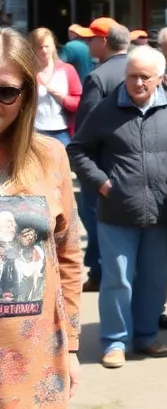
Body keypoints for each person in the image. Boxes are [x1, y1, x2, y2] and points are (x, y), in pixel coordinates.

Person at [67, 46, 167, 369]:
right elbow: (77, 150)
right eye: (132, 76)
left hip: (160, 210)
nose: (138, 82)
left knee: (154, 279)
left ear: (159, 79)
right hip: (116, 211)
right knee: (118, 279)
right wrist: (102, 183)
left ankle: (145, 335)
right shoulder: (105, 110)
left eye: (145, 77)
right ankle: (115, 340)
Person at [0, 29, 83, 407]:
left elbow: (67, 253)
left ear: (27, 96)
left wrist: (73, 347)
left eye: (5, 92)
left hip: (36, 361)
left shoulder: (50, 157)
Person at [73, 18, 129, 293]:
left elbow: (86, 127)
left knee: (96, 219)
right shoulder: (142, 69)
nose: (88, 43)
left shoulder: (98, 76)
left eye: (91, 38)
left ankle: (99, 272)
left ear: (104, 41)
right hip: (131, 166)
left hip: (102, 167)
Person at [30, 27, 82, 146]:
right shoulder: (28, 72)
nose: (44, 50)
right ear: (33, 49)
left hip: (61, 133)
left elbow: (78, 103)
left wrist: (62, 97)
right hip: (34, 132)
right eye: (39, 47)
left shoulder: (67, 70)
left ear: (53, 46)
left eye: (47, 46)